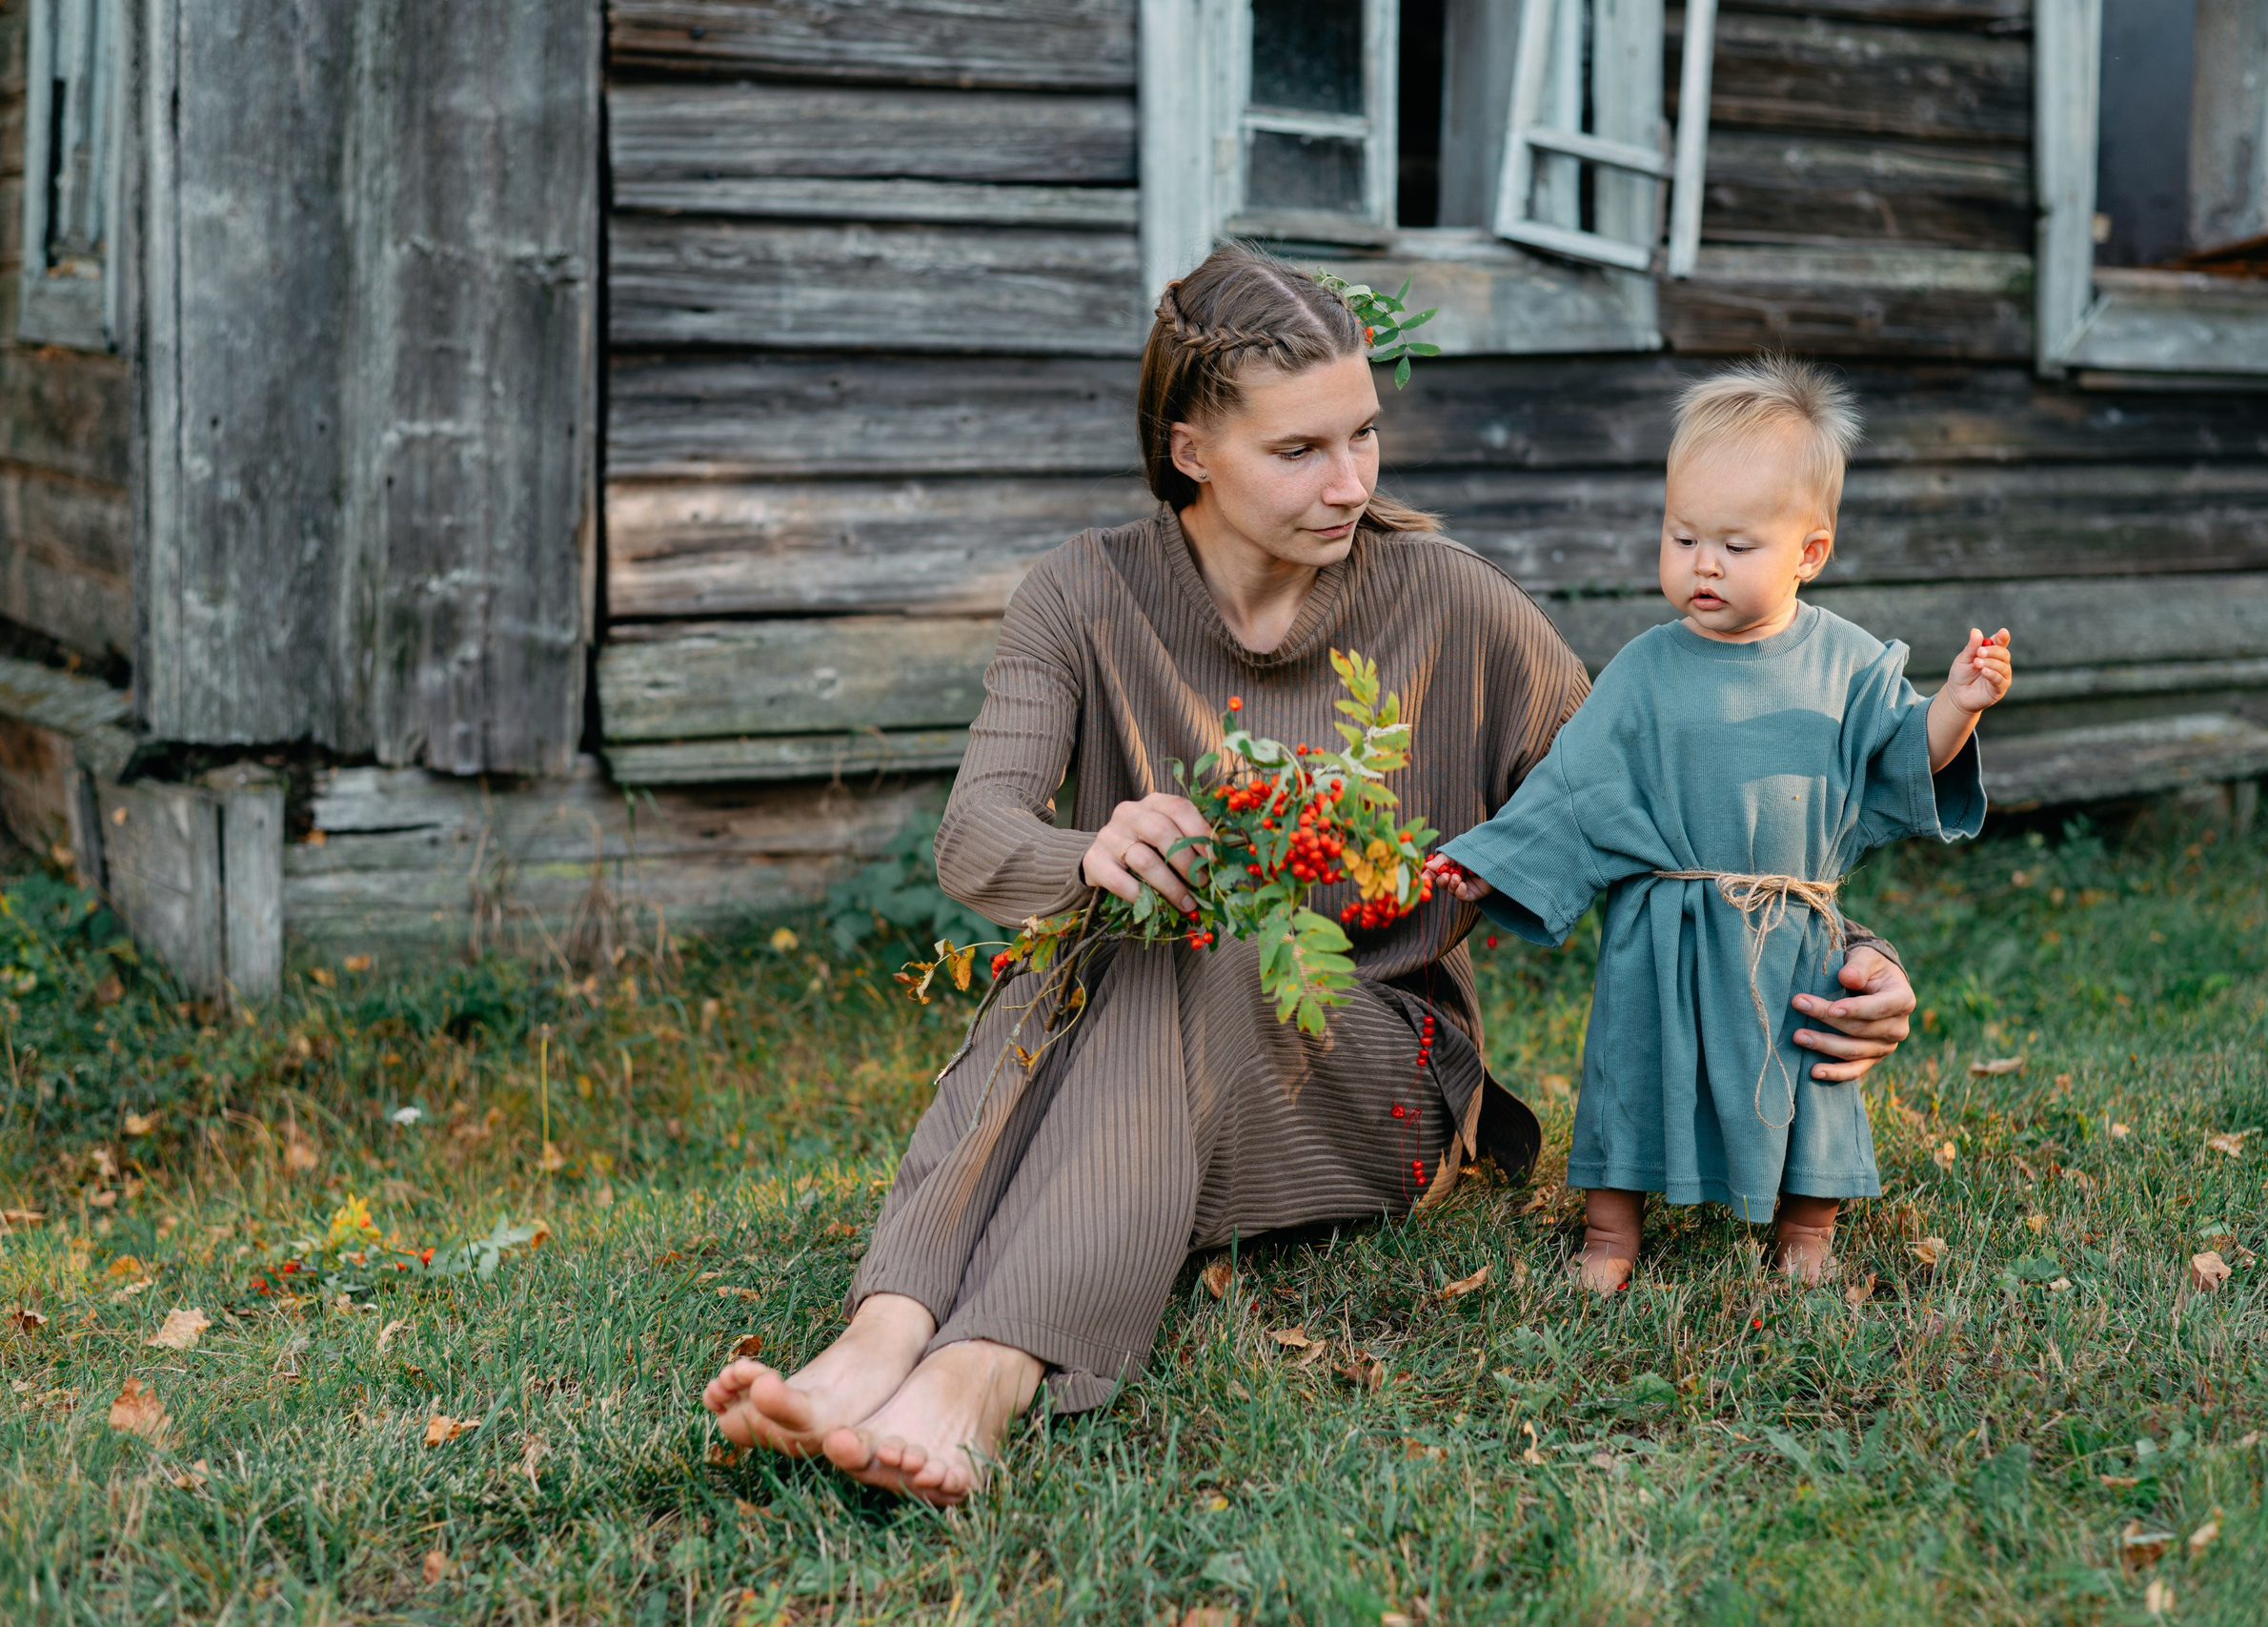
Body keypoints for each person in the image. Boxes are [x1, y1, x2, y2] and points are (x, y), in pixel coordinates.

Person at [701, 250, 1923, 1504]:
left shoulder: (1451, 604)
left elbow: (1677, 807)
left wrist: (1849, 949)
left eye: (1365, 437)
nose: (1350, 484)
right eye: (1299, 451)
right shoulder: (1080, 592)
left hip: (1374, 1075)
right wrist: (1088, 852)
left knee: (1196, 942)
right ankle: (883, 1336)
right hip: (1140, 1029)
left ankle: (984, 1366)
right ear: (1192, 451)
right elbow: (975, 839)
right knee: (1106, 945)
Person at [1432, 356, 2009, 1291]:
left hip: (1787, 926)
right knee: (1628, 1072)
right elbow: (1575, 784)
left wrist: (1959, 704)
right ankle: (1610, 1237)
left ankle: (1805, 1231)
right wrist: (1491, 863)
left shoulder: (1847, 666)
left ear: (1807, 553)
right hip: (1658, 925)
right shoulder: (1644, 669)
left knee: (1807, 1074)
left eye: (1735, 546)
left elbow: (1906, 753)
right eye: (1681, 536)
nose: (1703, 564)